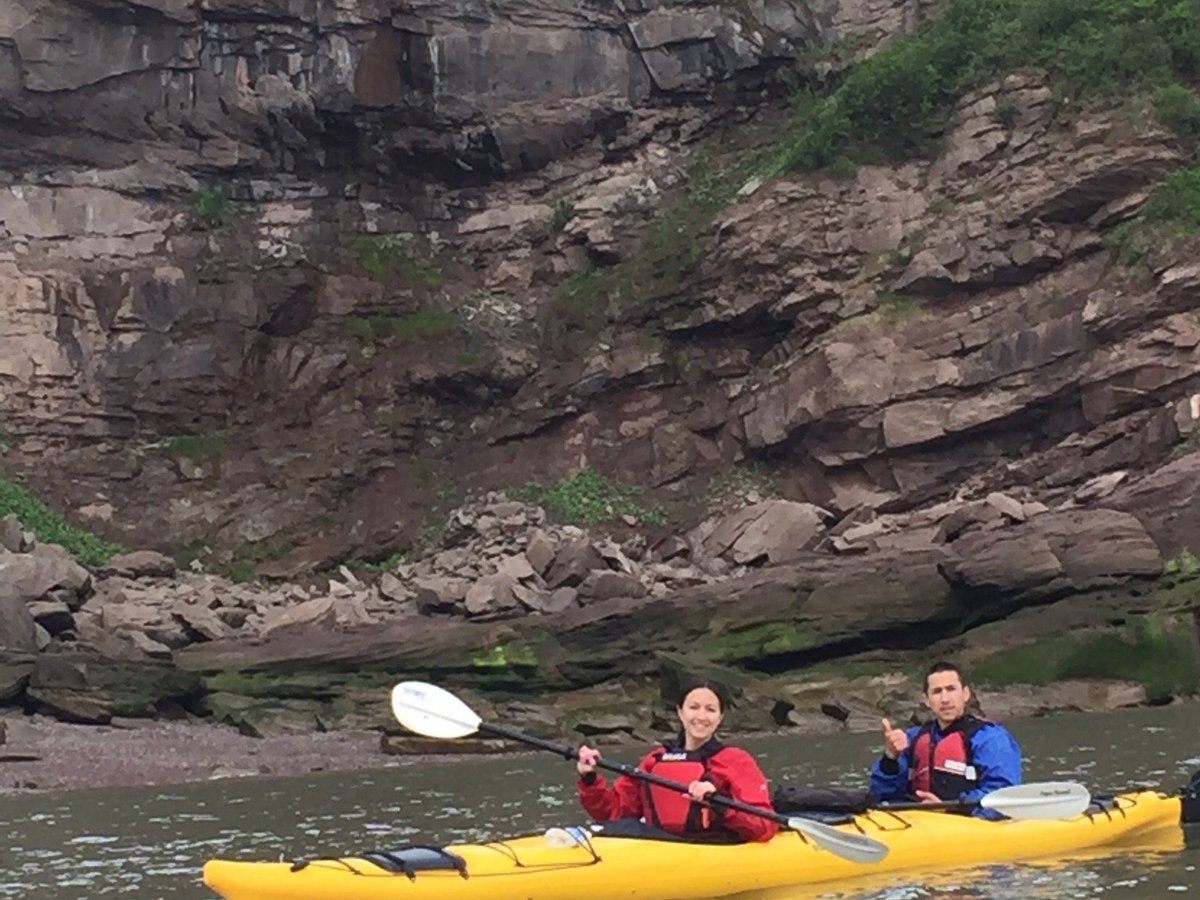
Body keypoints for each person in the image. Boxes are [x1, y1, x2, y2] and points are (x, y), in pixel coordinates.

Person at [575, 678, 778, 842]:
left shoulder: (735, 760)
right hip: (663, 846)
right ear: (681, 712)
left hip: (713, 847)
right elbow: (613, 812)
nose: (701, 716)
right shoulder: (655, 760)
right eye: (694, 707)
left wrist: (719, 803)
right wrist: (590, 779)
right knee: (621, 827)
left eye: (710, 709)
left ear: (720, 717)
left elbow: (764, 826)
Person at [870, 661, 1022, 819]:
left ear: (965, 694)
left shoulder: (991, 738)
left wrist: (946, 808)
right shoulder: (912, 739)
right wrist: (890, 758)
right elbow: (882, 794)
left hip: (969, 826)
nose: (945, 699)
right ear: (927, 700)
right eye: (937, 692)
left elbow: (1002, 796)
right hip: (919, 824)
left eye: (951, 689)